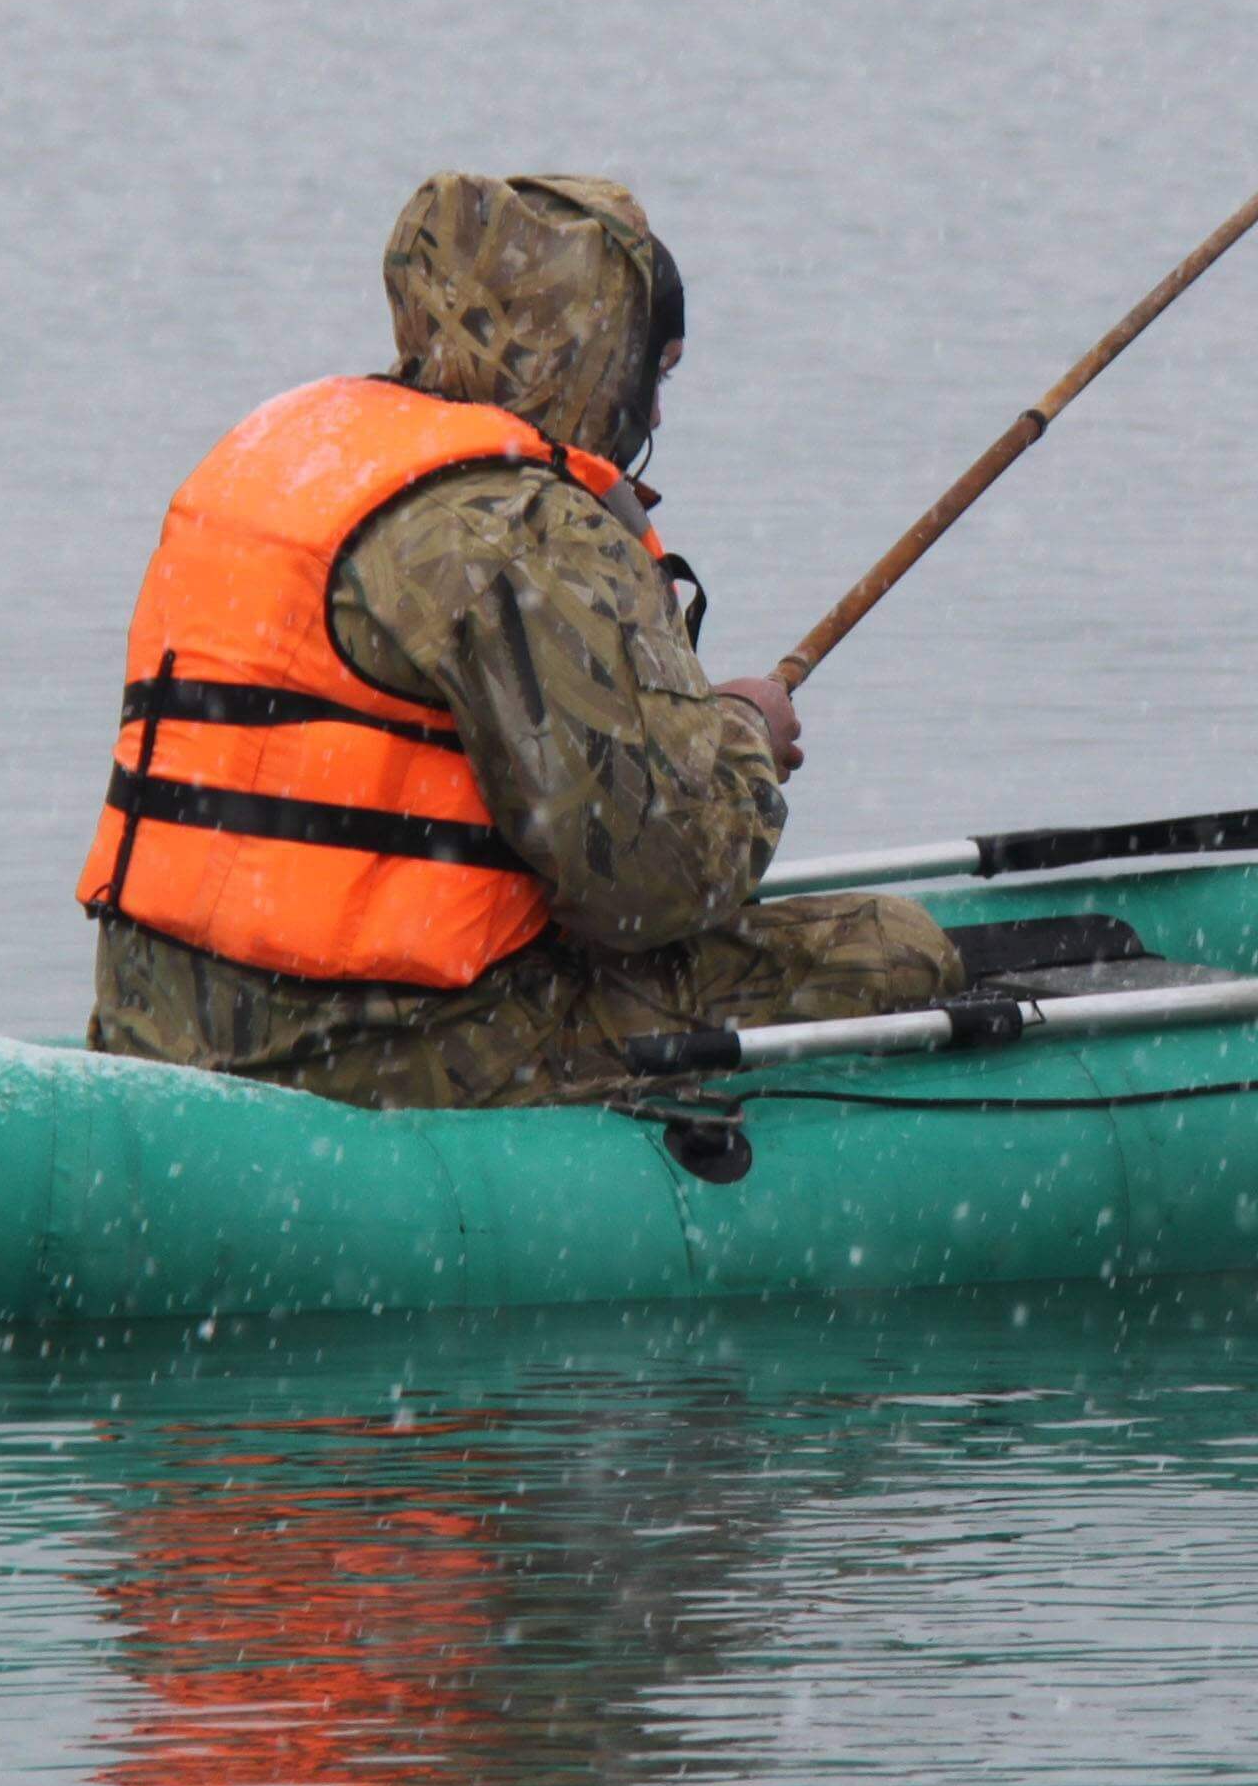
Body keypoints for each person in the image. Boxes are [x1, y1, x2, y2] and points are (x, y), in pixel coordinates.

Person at [81, 171, 962, 1108]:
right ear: (593, 349)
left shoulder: (276, 456)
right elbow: (651, 888)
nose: (655, 416)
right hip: (392, 1050)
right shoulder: (523, 532)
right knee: (898, 951)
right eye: (652, 372)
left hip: (156, 1027)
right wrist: (744, 734)